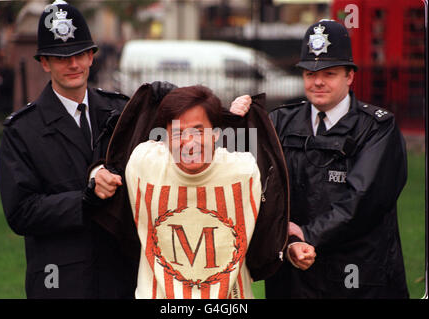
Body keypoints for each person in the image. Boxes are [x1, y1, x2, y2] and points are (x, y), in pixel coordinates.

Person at [231, 20, 409, 298]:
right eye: (309, 73)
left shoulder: (377, 127)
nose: (317, 82)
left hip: (357, 276)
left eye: (329, 73)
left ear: (350, 76)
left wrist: (304, 235)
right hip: (293, 275)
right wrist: (236, 124)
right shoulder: (279, 121)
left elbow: (363, 200)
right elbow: (240, 176)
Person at [88, 83, 316, 299]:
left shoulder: (244, 170)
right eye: (178, 133)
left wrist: (292, 243)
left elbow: (270, 217)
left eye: (199, 131)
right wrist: (95, 172)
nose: (189, 142)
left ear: (217, 134)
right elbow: (113, 158)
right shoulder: (144, 162)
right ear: (164, 137)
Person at [0, 0, 138, 298]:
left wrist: (158, 105)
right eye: (61, 58)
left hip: (120, 277)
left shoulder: (122, 112)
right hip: (59, 279)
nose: (73, 64)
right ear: (45, 63)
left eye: (79, 54)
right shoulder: (22, 131)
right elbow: (21, 212)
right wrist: (84, 199)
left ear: (90, 57)